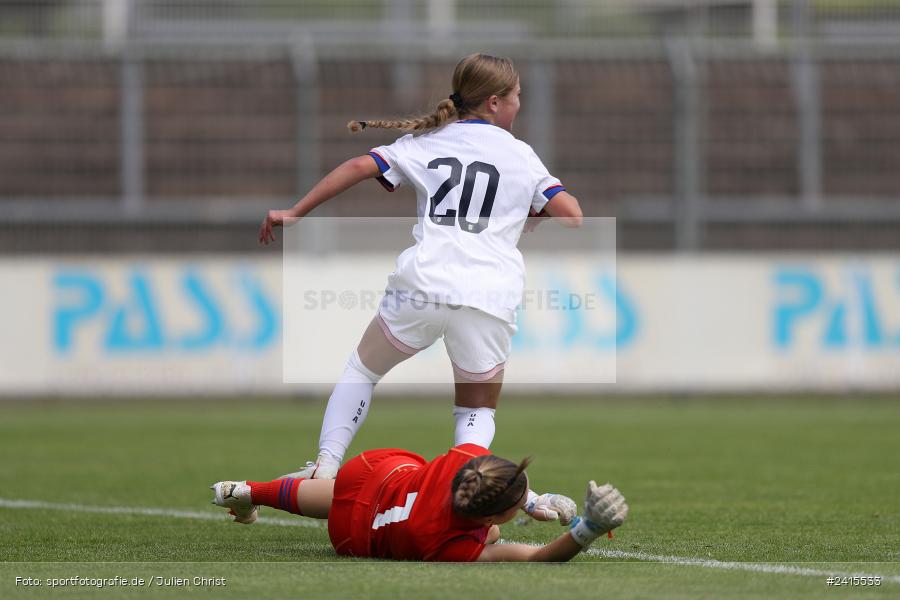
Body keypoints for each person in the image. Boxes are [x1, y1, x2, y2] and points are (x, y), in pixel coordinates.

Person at [258, 53, 584, 480]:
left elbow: (360, 165)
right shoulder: (521, 155)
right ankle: (466, 485)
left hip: (425, 281)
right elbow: (572, 214)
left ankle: (327, 465)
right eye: (517, 96)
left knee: (362, 370)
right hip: (488, 295)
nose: (519, 105)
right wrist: (524, 216)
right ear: (493, 102)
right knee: (475, 407)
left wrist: (297, 212)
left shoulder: (427, 142)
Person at [210, 444, 627, 562]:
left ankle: (254, 489)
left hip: (374, 469)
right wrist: (587, 527)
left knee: (346, 489)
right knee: (495, 537)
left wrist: (531, 499)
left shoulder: (466, 459)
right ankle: (276, 489)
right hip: (351, 535)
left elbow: (495, 476)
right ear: (493, 511)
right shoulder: (456, 546)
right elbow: (539, 556)